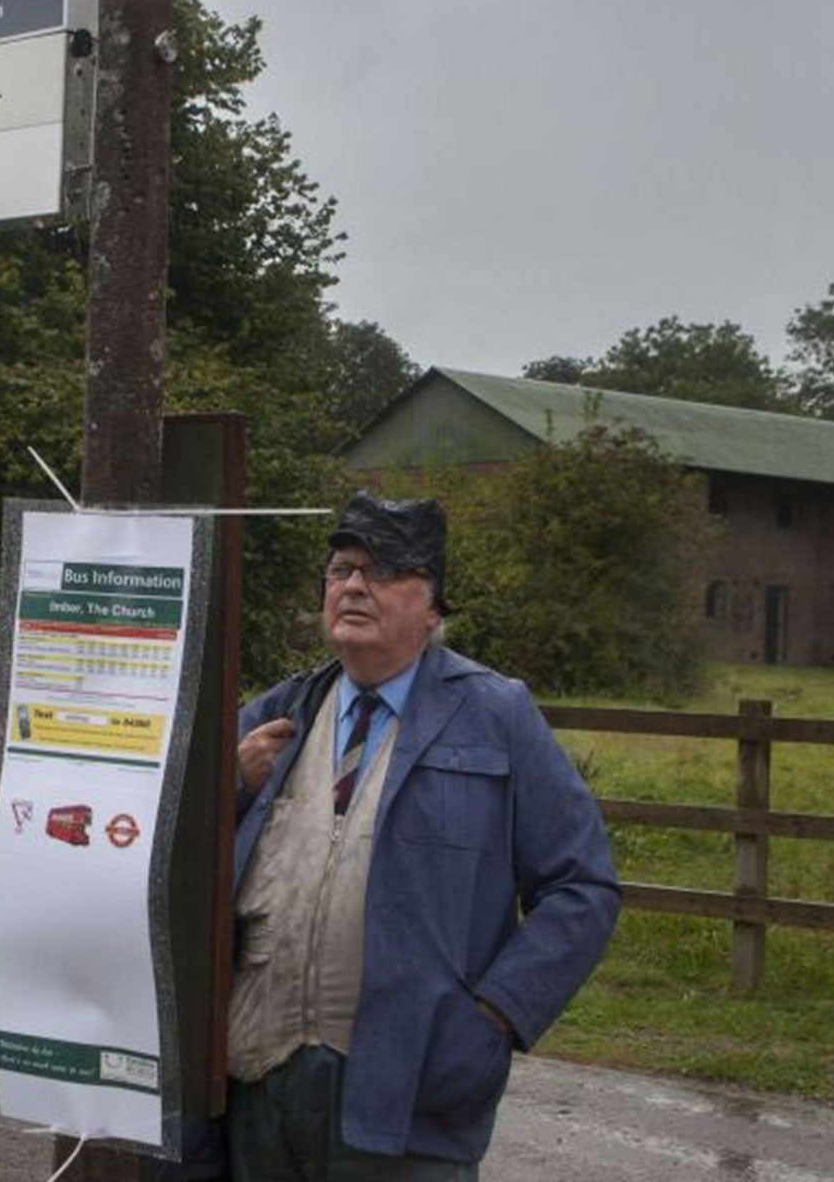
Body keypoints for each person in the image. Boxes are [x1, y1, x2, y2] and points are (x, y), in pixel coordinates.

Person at [226, 493, 619, 1180]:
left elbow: (582, 887)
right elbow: (165, 844)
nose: (352, 585)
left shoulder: (498, 715)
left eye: (380, 571)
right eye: (341, 568)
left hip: (413, 1097)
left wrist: (493, 1018)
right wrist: (226, 787)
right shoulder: (278, 713)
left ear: (432, 606)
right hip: (261, 1086)